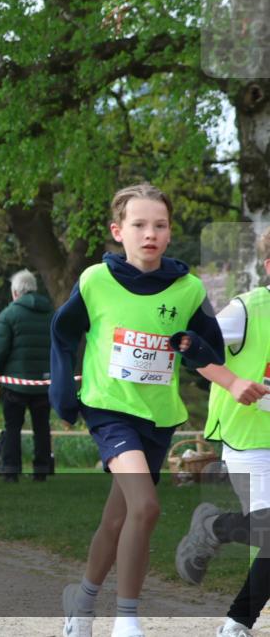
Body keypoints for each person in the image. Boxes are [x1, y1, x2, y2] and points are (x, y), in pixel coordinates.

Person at [50, 183, 225, 637]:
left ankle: (81, 601)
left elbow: (212, 351)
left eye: (160, 225)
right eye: (139, 225)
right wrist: (63, 395)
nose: (150, 234)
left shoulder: (188, 289)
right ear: (118, 231)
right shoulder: (95, 281)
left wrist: (194, 348)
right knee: (145, 507)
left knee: (119, 518)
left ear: (170, 232)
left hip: (158, 417)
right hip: (109, 410)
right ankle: (127, 620)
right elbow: (63, 332)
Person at [175, 226, 270, 637]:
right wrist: (232, 382)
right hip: (250, 438)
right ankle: (215, 529)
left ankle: (214, 529)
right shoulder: (245, 310)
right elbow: (190, 347)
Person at [0, 268, 54, 482]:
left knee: (12, 427)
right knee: (42, 427)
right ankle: (42, 470)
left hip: (15, 383)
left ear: (15, 292)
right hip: (44, 381)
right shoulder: (51, 313)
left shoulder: (9, 314)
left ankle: (11, 470)